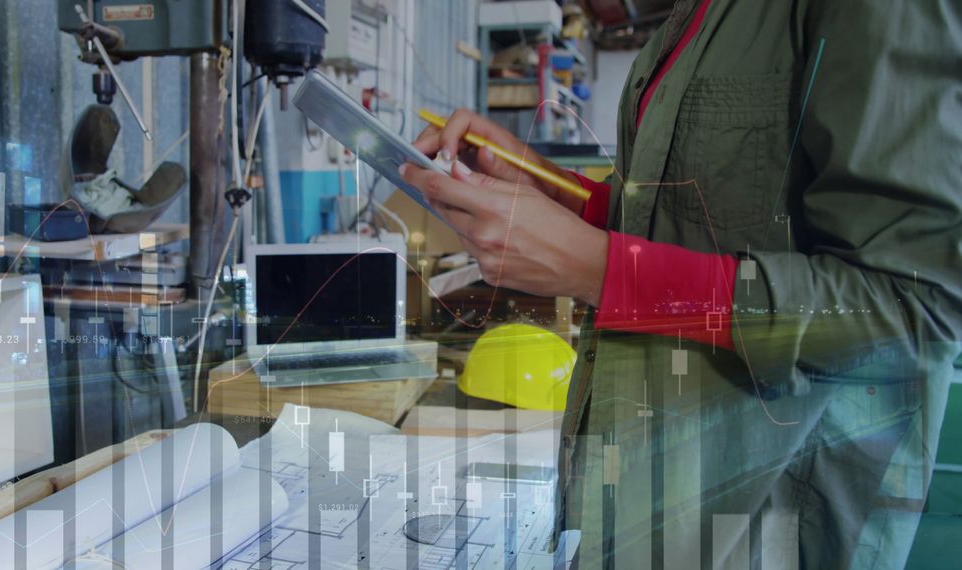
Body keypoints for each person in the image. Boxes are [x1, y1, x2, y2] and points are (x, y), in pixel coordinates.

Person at [401, 0, 962, 567]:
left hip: (757, 526)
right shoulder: (695, 16)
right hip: (645, 496)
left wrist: (603, 271)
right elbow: (690, 220)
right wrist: (552, 190)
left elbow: (916, 306)